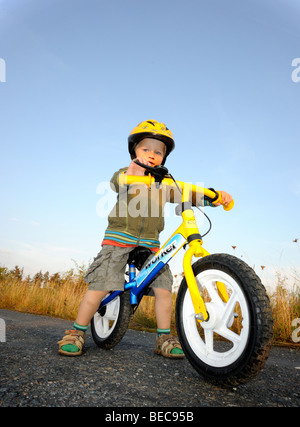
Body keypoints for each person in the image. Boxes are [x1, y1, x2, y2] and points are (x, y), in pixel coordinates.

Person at [58, 120, 233, 358]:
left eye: (158, 151)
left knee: (163, 288)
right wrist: (132, 175)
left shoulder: (164, 184)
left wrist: (213, 197)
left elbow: (187, 193)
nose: (152, 155)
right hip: (119, 239)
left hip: (150, 244)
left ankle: (163, 337)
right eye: (146, 149)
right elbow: (116, 181)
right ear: (134, 152)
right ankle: (76, 332)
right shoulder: (127, 174)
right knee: (101, 285)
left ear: (164, 158)